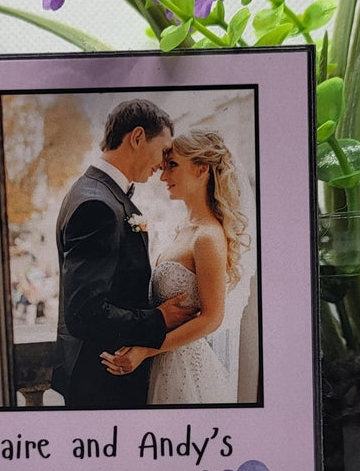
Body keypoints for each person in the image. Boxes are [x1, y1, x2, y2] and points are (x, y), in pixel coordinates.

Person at [55, 98, 196, 409]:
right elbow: (83, 313)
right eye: (163, 150)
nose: (162, 163)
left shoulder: (94, 190)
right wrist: (157, 319)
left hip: (99, 374)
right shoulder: (98, 205)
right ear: (136, 137)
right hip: (103, 381)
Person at [101, 129, 251, 404]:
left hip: (186, 369)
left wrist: (146, 350)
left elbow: (211, 318)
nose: (163, 176)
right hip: (163, 362)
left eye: (173, 166)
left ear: (201, 169)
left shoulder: (207, 236)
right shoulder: (184, 229)